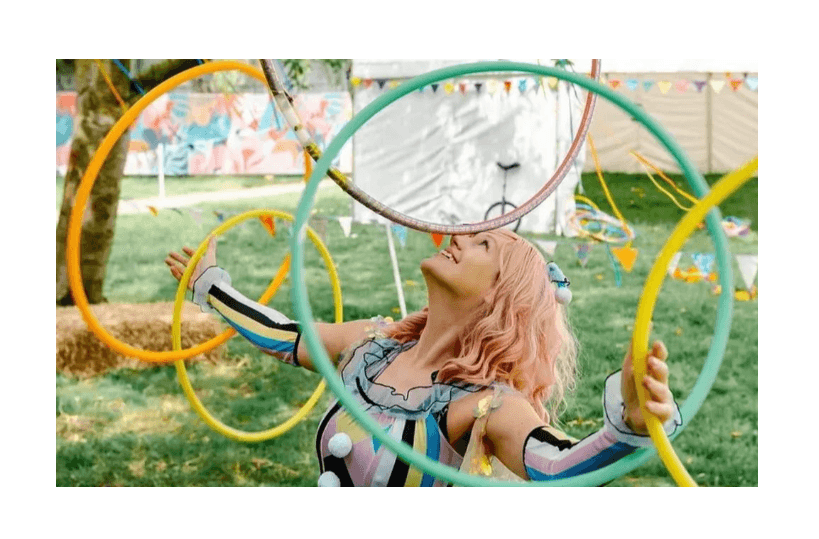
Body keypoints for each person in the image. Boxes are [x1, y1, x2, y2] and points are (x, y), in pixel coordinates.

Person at [165, 229, 681, 486]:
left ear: (500, 298)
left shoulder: (486, 405)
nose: (456, 237)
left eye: (481, 246)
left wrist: (629, 429)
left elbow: (555, 465)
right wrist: (211, 285)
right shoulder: (373, 343)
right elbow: (283, 334)